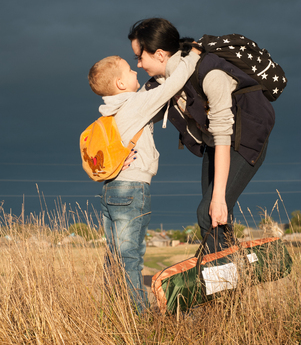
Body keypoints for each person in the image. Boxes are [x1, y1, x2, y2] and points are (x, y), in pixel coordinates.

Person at [128, 18, 275, 254]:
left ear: (159, 54)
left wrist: (218, 199)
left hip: (242, 137)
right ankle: (233, 278)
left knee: (210, 211)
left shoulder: (210, 73)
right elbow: (135, 111)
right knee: (217, 218)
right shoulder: (161, 83)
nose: (137, 65)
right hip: (213, 142)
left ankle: (220, 281)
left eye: (139, 57)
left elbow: (224, 135)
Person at [88, 48, 200, 312]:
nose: (135, 70)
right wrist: (192, 56)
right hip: (131, 189)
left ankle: (116, 311)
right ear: (120, 84)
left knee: (115, 256)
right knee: (130, 258)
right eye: (129, 70)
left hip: (111, 190)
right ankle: (139, 315)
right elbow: (173, 85)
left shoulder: (111, 112)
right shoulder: (135, 104)